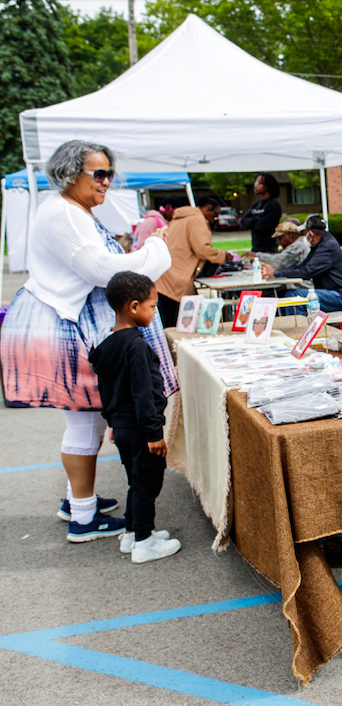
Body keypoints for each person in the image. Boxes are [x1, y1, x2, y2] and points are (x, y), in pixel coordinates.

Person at [0, 140, 173, 541]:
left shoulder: (69, 210)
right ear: (68, 173)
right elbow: (101, 269)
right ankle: (82, 518)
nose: (106, 182)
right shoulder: (63, 212)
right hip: (60, 325)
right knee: (85, 422)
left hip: (61, 322)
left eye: (109, 174)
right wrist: (156, 251)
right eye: (98, 173)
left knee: (89, 420)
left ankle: (78, 500)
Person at [89, 272, 181, 563]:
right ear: (133, 306)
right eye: (152, 306)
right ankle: (144, 541)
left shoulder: (107, 345)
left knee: (135, 481)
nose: (155, 312)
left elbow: (106, 390)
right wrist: (155, 434)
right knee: (147, 485)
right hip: (143, 429)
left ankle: (131, 533)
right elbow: (144, 392)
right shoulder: (137, 347)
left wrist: (113, 423)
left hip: (123, 428)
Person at [155, 195, 234, 327]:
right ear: (208, 208)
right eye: (215, 215)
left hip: (165, 276)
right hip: (177, 279)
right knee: (181, 325)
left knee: (169, 322)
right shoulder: (197, 219)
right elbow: (202, 249)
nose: (214, 220)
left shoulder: (180, 218)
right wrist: (223, 255)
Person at [262, 215, 342, 312]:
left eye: (304, 233)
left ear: (310, 234)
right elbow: (302, 267)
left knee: (293, 296)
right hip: (332, 293)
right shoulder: (320, 245)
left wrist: (275, 273)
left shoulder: (327, 247)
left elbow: (306, 272)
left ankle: (300, 326)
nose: (304, 237)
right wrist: (277, 272)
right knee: (284, 294)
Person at [239, 173, 282, 254]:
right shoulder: (256, 204)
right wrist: (256, 219)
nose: (255, 186)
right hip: (255, 248)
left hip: (269, 250)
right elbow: (243, 222)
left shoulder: (274, 205)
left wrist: (252, 222)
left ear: (267, 185)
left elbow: (262, 226)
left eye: (258, 183)